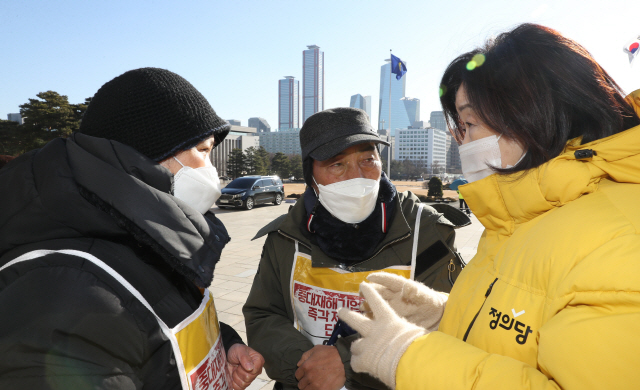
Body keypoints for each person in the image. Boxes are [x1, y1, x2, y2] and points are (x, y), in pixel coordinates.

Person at [338, 23, 640, 389]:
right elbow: (526, 326)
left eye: (468, 123)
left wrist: (408, 355)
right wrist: (442, 314)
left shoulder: (621, 241)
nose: (461, 141)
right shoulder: (521, 215)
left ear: (531, 116)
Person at [0, 67, 264, 389]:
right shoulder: (69, 293)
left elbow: (151, 318)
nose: (211, 171)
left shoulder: (144, 236)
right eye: (203, 151)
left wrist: (220, 346)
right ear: (148, 152)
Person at [243, 107, 470, 390]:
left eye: (368, 159)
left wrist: (346, 360)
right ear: (310, 175)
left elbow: (449, 322)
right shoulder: (286, 235)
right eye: (337, 165)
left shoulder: (426, 231)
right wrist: (309, 368)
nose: (357, 177)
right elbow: (264, 315)